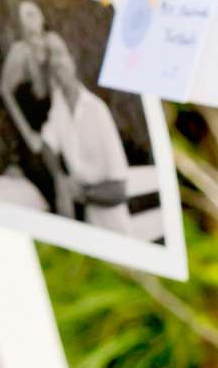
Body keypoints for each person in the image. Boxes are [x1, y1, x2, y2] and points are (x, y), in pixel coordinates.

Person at [39, 45, 149, 237]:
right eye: (51, 61)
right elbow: (47, 144)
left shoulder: (97, 110)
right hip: (88, 225)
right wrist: (60, 180)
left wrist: (78, 194)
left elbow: (119, 191)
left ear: (72, 60)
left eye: (59, 54)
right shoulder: (59, 106)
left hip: (115, 226)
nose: (56, 63)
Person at [0, 0, 61, 207]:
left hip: (54, 129)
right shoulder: (20, 52)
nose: (29, 19)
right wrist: (27, 135)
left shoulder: (52, 45)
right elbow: (5, 92)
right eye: (24, 15)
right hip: (31, 133)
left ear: (42, 17)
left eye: (32, 13)